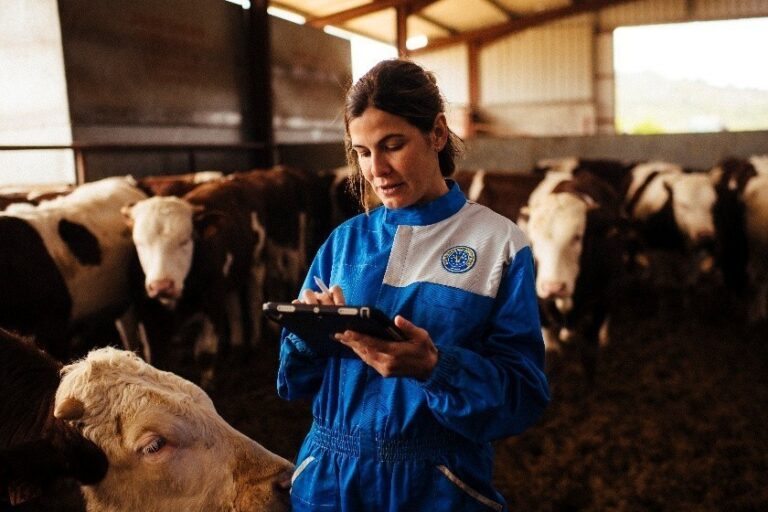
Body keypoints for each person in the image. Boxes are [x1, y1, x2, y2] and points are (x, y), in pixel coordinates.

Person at [277, 58, 549, 512]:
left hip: (437, 486)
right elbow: (294, 381)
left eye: (392, 145)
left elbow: (522, 395)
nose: (376, 169)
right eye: (362, 152)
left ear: (437, 134)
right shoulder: (345, 242)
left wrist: (436, 368)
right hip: (328, 480)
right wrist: (308, 334)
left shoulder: (498, 243)